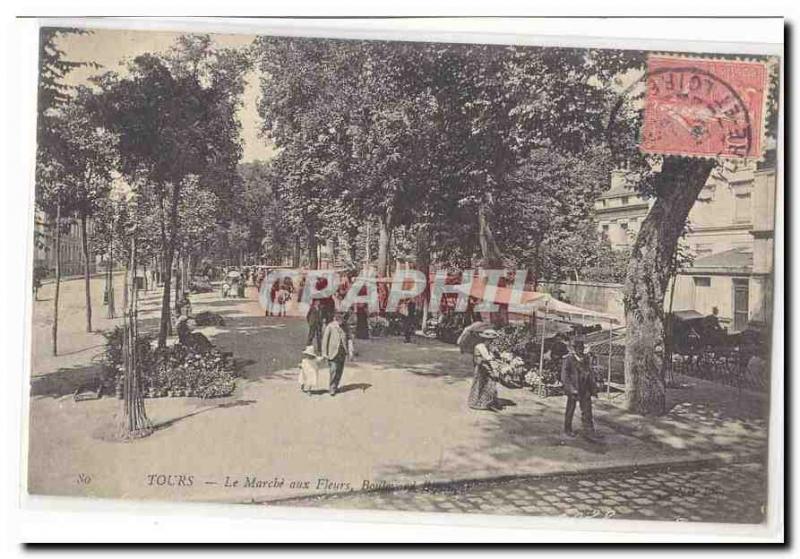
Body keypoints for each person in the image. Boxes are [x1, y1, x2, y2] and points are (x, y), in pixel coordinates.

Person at [561, 339, 602, 441]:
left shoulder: (585, 359)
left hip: (585, 388)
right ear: (574, 349)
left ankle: (589, 430)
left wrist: (594, 387)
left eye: (582, 348)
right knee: (570, 409)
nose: (581, 350)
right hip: (574, 388)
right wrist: (571, 388)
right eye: (579, 348)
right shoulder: (568, 360)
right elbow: (564, 376)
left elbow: (590, 373)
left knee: (587, 410)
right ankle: (568, 429)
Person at [467, 329, 500, 411]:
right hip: (481, 368)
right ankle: (478, 402)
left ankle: (488, 402)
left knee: (489, 384)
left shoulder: (489, 347)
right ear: (485, 339)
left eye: (491, 340)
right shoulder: (479, 347)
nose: (491, 342)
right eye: (490, 340)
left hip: (487, 366)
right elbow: (479, 360)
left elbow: (494, 357)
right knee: (481, 384)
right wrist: (489, 363)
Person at [321, 311, 348, 396]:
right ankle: (332, 388)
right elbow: (325, 341)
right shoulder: (330, 326)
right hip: (332, 352)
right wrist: (324, 353)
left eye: (343, 319)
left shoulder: (345, 326)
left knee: (340, 370)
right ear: (336, 318)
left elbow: (349, 337)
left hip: (342, 352)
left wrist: (350, 349)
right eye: (341, 319)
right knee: (333, 370)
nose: (342, 321)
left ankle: (336, 386)